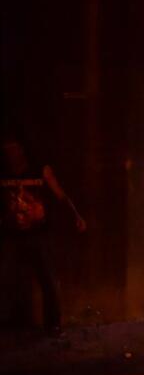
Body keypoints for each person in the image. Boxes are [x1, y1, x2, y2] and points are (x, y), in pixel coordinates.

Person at [1, 133, 86, 337]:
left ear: (22, 149)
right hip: (12, 234)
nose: (12, 154)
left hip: (38, 234)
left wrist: (75, 215)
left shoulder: (40, 170)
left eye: (15, 149)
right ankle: (14, 321)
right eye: (7, 150)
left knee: (47, 278)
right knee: (10, 278)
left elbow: (60, 194)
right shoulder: (4, 172)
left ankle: (53, 323)